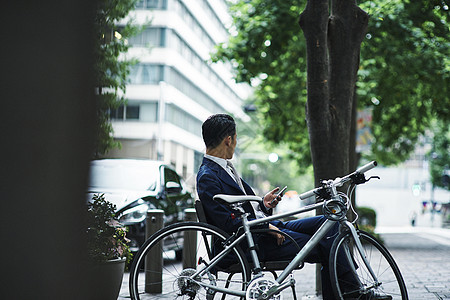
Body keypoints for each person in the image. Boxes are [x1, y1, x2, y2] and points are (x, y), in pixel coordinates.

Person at [196, 114, 391, 300]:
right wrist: (265, 227)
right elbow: (226, 222)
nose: (236, 143)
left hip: (265, 229)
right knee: (326, 245)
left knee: (329, 223)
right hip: (250, 243)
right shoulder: (208, 176)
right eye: (236, 139)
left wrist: (263, 204)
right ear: (228, 140)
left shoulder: (223, 168)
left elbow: (242, 208)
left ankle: (351, 292)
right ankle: (353, 293)